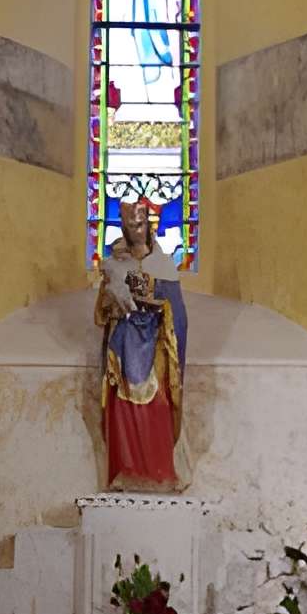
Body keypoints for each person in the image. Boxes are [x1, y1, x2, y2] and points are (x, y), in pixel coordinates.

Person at [95, 199, 186, 490]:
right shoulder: (116, 264)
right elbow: (101, 313)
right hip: (122, 346)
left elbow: (177, 311)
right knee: (122, 408)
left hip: (155, 347)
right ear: (124, 227)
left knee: (156, 405)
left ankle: (156, 473)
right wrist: (113, 299)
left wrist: (150, 292)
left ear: (149, 227)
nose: (137, 229)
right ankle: (127, 471)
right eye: (131, 225)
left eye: (141, 224)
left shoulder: (163, 264)